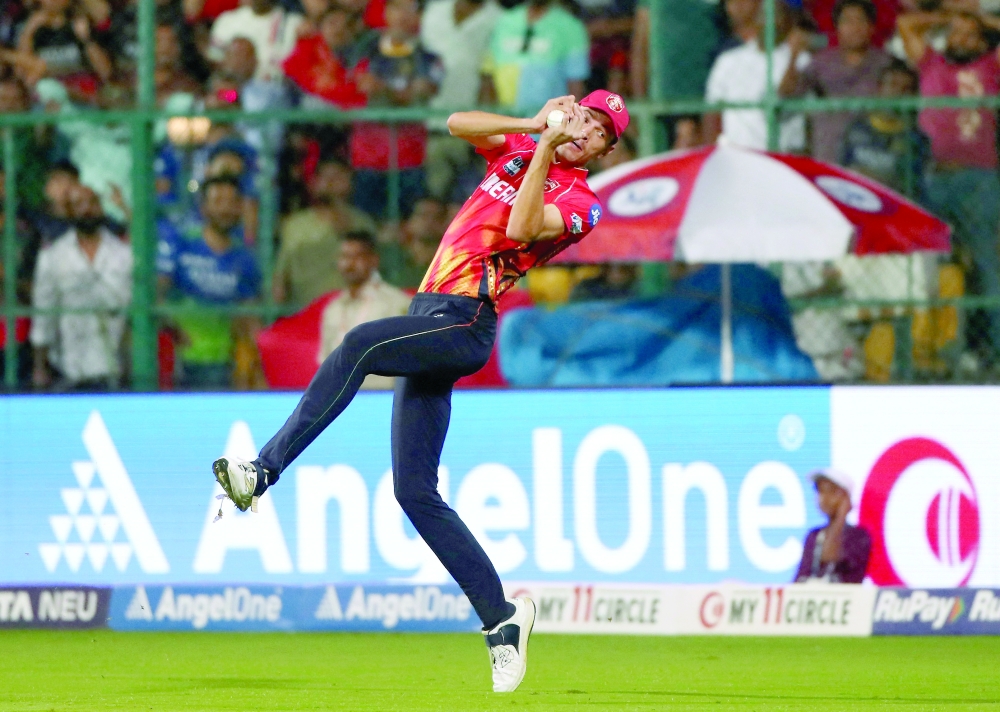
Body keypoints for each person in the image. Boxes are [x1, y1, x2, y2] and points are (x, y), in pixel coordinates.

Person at [212, 90, 628, 693]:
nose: (584, 128)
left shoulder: (583, 202)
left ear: (604, 150)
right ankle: (503, 619)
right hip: (430, 310)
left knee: (357, 343)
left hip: (466, 320)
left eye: (598, 130)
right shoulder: (517, 145)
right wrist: (531, 124)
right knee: (414, 490)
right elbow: (457, 121)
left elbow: (519, 225)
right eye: (585, 114)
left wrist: (543, 148)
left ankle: (262, 472)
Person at [898, 8, 1000, 365]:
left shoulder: (991, 67)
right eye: (955, 34)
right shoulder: (931, 63)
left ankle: (994, 351)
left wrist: (978, 19)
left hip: (981, 179)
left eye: (969, 36)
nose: (961, 40)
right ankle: (933, 353)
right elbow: (907, 24)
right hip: (934, 178)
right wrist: (955, 14)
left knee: (988, 266)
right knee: (930, 269)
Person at [157, 176, 261, 390]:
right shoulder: (183, 243)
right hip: (181, 360)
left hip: (226, 363)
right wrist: (174, 331)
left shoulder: (245, 258)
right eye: (218, 201)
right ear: (204, 208)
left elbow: (248, 313)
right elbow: (157, 293)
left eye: (232, 202)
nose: (226, 209)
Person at [30, 183, 132, 391]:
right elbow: (43, 315)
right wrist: (40, 367)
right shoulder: (53, 257)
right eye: (78, 204)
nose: (87, 210)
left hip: (118, 368)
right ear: (69, 212)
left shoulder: (123, 253)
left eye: (93, 202)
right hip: (70, 369)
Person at [782, 0, 892, 164]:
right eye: (847, 21)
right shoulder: (820, 63)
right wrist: (793, 56)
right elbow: (787, 97)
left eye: (860, 20)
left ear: (872, 27)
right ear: (836, 28)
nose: (854, 27)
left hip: (872, 156)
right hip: (828, 153)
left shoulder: (887, 64)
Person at [703, 0, 811, 151]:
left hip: (784, 156)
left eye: (777, 15)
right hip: (738, 156)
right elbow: (712, 114)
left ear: (789, 21)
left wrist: (793, 58)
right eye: (764, 15)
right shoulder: (729, 61)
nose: (770, 21)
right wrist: (711, 152)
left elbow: (782, 100)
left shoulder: (802, 60)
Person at [274, 158, 378, 306]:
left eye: (338, 177)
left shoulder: (363, 223)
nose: (331, 183)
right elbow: (281, 278)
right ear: (313, 184)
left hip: (355, 312)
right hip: (308, 313)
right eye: (326, 177)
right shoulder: (295, 225)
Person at [318, 231, 412, 389]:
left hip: (381, 397)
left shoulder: (396, 303)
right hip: (339, 401)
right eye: (344, 257)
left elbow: (409, 359)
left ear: (373, 260)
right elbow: (325, 363)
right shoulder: (332, 309)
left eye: (356, 257)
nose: (349, 264)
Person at [483, 0, 589, 114]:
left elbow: (575, 84)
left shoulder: (571, 26)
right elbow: (488, 77)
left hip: (548, 123)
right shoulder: (504, 21)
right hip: (505, 121)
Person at [794, 468, 871, 583]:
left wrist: (841, 514)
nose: (822, 498)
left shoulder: (859, 537)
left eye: (829, 491)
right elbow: (799, 580)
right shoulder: (814, 536)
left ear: (844, 496)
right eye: (820, 491)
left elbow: (829, 556)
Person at [208, 0, 303, 83]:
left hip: (269, 91)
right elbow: (215, 62)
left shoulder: (293, 24)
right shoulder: (227, 20)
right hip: (229, 91)